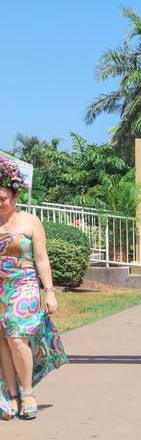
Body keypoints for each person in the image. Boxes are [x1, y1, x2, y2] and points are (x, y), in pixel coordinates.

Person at [0, 157, 67, 420]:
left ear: (15, 196)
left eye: (3, 198)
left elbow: (41, 258)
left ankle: (28, 393)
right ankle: (12, 396)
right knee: (3, 340)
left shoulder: (30, 222)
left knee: (17, 338)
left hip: (25, 284)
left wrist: (49, 291)